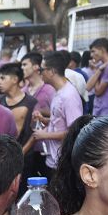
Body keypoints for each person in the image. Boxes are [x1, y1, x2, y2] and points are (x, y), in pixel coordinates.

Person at [29, 51, 84, 179]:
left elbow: (74, 132)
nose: (40, 72)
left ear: (52, 71)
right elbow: (60, 122)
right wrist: (44, 120)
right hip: (53, 159)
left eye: (42, 69)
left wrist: (45, 135)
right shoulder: (59, 92)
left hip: (62, 161)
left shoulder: (69, 96)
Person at [0, 63, 38, 148]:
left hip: (27, 156)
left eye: (2, 78)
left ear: (15, 79)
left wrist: (22, 152)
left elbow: (35, 132)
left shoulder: (31, 103)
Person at [85, 37, 108, 117]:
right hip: (98, 109)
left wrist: (96, 70)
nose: (91, 55)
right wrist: (98, 69)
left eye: (93, 51)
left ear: (102, 50)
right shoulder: (100, 65)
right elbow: (88, 87)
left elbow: (98, 91)